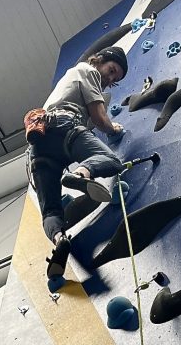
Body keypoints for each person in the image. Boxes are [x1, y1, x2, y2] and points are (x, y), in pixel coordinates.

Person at [26, 46, 128, 278]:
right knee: (110, 160)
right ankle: (81, 174)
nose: (109, 79)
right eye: (111, 70)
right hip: (64, 126)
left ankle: (60, 240)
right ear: (100, 60)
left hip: (39, 147)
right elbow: (99, 118)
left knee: (51, 211)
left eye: (114, 79)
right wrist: (114, 129)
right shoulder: (87, 70)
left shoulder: (69, 80)